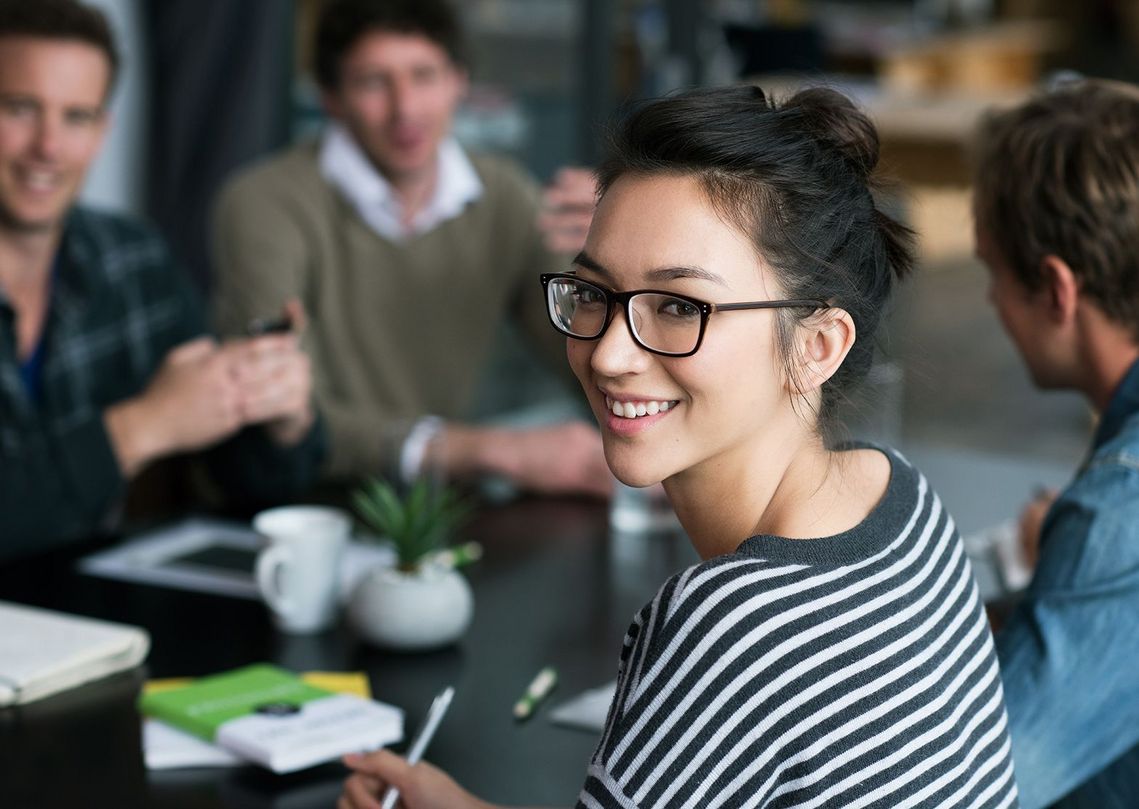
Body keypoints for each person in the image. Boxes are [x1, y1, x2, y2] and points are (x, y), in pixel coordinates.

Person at [337, 85, 1019, 808]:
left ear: (817, 345)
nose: (609, 355)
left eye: (677, 307)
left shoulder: (733, 625)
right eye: (592, 293)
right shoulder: (899, 497)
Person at [212, 0, 608, 495]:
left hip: (433, 507)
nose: (406, 109)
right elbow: (283, 410)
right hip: (299, 505)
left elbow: (586, 359)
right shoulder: (264, 202)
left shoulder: (504, 195)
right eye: (373, 82)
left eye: (424, 75)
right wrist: (489, 450)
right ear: (331, 98)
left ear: (458, 81)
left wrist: (617, 263)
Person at [0, 0, 324, 559]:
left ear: (102, 132)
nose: (48, 147)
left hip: (86, 603)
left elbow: (245, 482)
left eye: (77, 117)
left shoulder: (134, 259)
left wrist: (279, 416)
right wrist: (144, 426)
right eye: (20, 109)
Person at [972, 79, 1139, 809]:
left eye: (992, 272)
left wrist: (1083, 552)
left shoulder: (1114, 512)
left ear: (1056, 288)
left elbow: (984, 785)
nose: (989, 300)